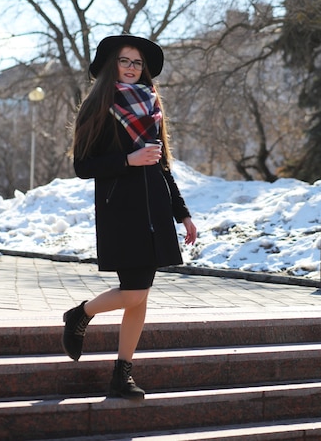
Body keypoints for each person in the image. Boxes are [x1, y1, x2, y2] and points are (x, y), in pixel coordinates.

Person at [62, 33, 197, 400]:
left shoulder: (152, 106)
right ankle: (80, 314)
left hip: (154, 207)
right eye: (126, 61)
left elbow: (162, 164)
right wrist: (126, 160)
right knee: (135, 290)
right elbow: (82, 166)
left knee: (141, 296)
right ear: (112, 65)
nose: (133, 68)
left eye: (138, 63)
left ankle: (122, 374)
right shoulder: (98, 107)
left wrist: (181, 213)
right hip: (120, 210)